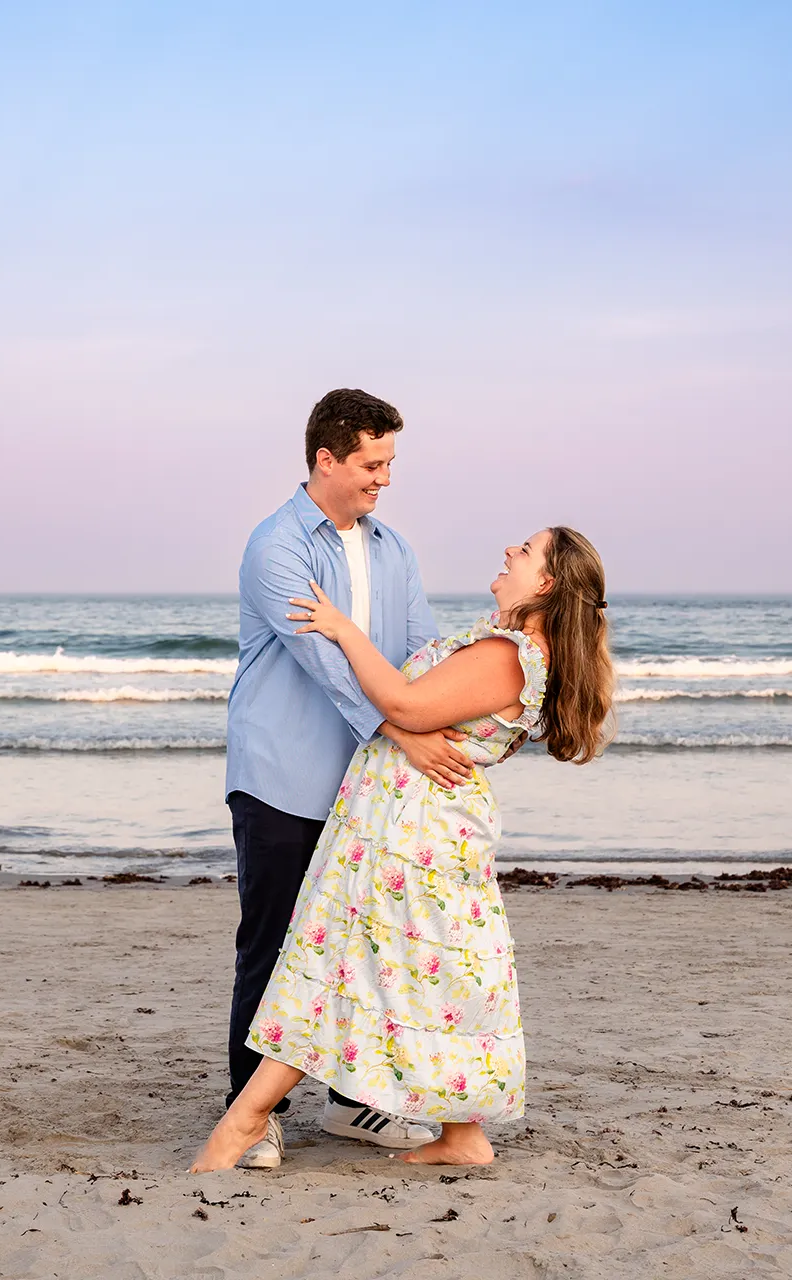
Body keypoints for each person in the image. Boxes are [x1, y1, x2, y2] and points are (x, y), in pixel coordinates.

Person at [193, 526, 615, 1170]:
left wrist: (342, 628)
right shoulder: (519, 649)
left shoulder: (512, 653)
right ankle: (462, 1135)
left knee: (334, 962)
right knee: (424, 977)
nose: (509, 550)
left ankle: (245, 1120)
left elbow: (404, 703)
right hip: (414, 825)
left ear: (547, 584)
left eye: (526, 551)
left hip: (408, 833)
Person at [221, 388, 477, 1169]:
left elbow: (424, 646)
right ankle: (250, 1114)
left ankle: (350, 1103)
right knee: (274, 946)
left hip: (368, 783)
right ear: (325, 459)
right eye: (372, 463)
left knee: (364, 946)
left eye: (390, 463)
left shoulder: (393, 549)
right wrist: (405, 730)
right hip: (281, 776)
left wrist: (467, 707)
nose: (383, 479)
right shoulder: (278, 547)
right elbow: (328, 666)